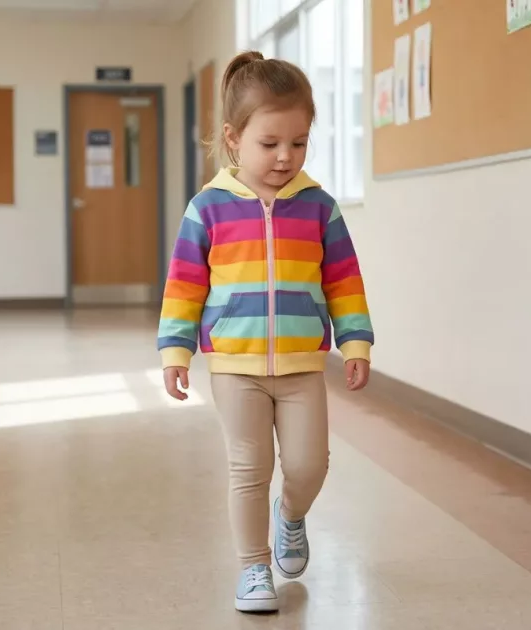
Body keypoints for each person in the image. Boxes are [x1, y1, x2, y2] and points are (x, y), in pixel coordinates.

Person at [157, 51, 374, 613]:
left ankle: (291, 515)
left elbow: (344, 279)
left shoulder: (319, 208)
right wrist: (175, 350)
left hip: (302, 365)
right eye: (270, 143)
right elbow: (184, 284)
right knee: (249, 468)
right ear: (234, 139)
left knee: (308, 465)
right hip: (235, 365)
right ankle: (254, 567)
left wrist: (355, 341)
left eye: (298, 143)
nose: (285, 156)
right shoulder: (207, 208)